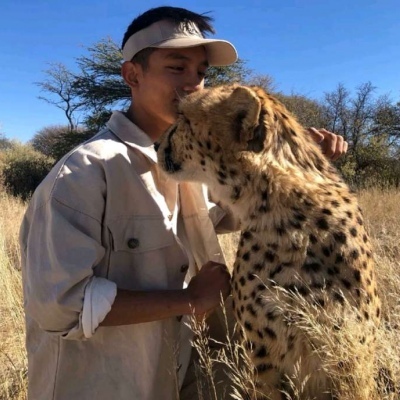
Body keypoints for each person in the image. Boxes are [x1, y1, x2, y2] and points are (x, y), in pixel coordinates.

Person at [20, 6, 348, 400]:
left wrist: (293, 158)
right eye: (177, 68)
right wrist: (190, 300)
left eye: (201, 73)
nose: (193, 85)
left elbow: (245, 209)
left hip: (182, 380)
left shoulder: (191, 162)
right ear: (132, 75)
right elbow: (59, 306)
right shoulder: (83, 173)